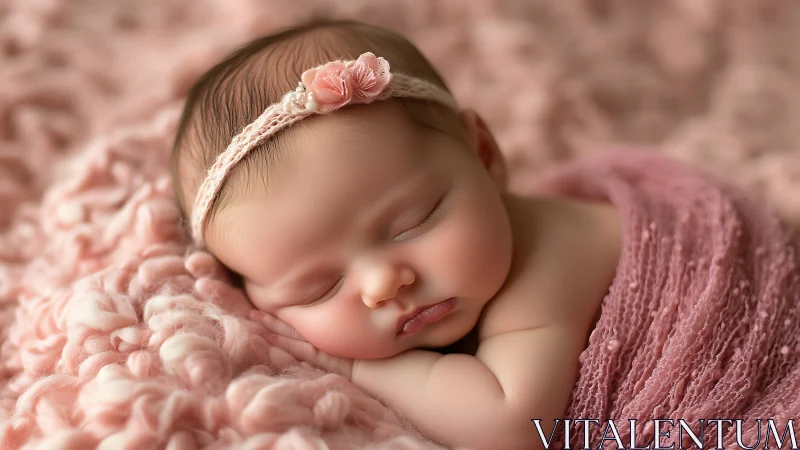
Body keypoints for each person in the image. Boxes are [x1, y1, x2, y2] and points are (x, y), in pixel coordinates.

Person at [170, 19, 620, 449]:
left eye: (414, 223)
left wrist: (352, 368)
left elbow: (511, 424)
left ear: (483, 154)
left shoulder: (548, 258)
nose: (383, 284)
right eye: (319, 288)